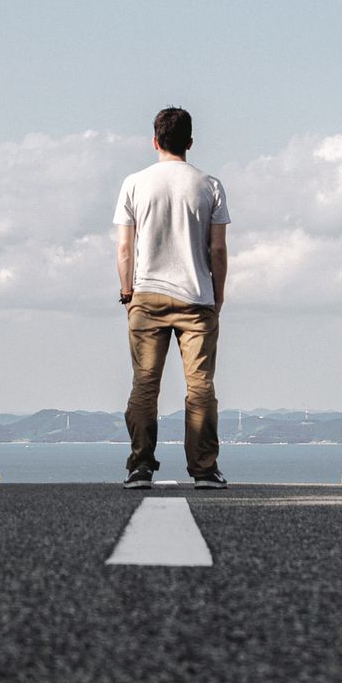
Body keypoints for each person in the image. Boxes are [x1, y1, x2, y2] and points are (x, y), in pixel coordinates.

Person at [113, 106, 230, 490]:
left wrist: (128, 291)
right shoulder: (209, 185)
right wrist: (218, 295)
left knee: (145, 383)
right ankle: (203, 469)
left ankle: (140, 466)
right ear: (190, 142)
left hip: (147, 295)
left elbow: (125, 249)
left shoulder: (134, 183)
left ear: (155, 140)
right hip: (197, 297)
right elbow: (217, 250)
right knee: (200, 386)